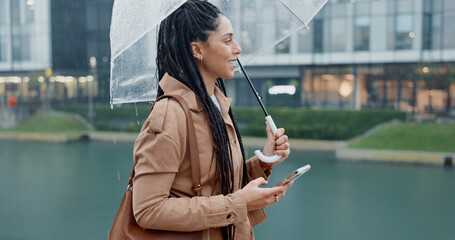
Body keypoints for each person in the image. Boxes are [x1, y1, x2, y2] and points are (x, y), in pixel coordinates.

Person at [132, 1, 292, 239]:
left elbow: (217, 184)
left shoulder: (216, 104)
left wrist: (264, 161)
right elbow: (148, 209)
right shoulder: (170, 114)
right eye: (227, 41)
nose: (237, 49)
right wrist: (237, 203)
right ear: (197, 50)